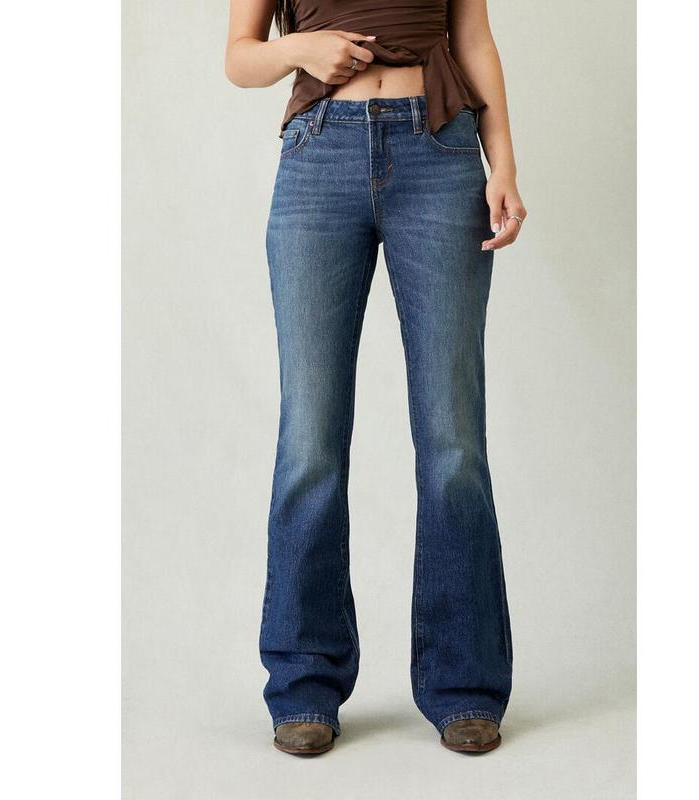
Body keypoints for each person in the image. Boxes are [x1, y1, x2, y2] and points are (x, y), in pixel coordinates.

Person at [225, 0, 526, 755]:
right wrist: (301, 49)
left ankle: (464, 685)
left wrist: (503, 164)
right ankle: (304, 685)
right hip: (318, 158)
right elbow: (239, 56)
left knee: (453, 440)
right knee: (310, 441)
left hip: (440, 152)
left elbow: (474, 39)